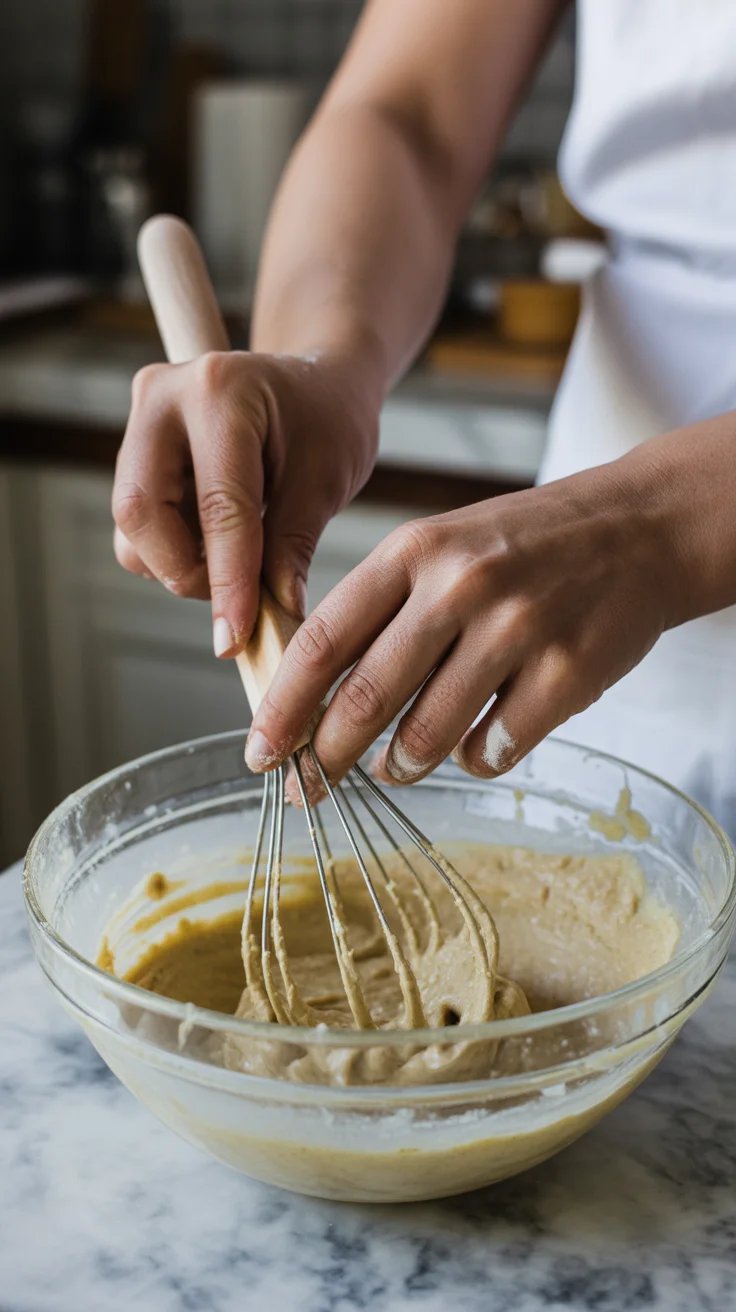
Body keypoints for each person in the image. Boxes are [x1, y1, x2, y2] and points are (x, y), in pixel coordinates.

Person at [113, 0, 736, 834]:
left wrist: (660, 523)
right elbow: (406, 113)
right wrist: (322, 361)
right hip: (609, 668)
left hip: (624, 530)